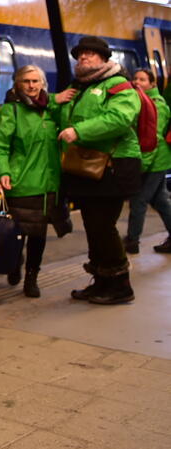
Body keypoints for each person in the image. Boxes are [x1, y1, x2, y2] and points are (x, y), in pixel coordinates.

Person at [56, 36, 141, 304]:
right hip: (88, 164)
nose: (84, 58)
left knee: (104, 225)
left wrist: (79, 131)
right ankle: (101, 281)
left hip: (115, 164)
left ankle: (121, 285)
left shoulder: (118, 85)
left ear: (104, 58)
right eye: (81, 55)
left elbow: (119, 118)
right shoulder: (79, 86)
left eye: (91, 54)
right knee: (93, 225)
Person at [0, 65, 75, 297]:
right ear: (17, 84)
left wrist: (55, 99)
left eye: (36, 81)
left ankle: (32, 277)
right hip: (21, 183)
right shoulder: (10, 111)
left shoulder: (51, 111)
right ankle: (15, 262)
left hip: (48, 184)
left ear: (43, 84)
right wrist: (3, 172)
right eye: (26, 81)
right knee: (18, 232)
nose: (31, 85)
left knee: (38, 235)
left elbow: (65, 112)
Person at [124, 68, 171, 254]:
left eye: (143, 79)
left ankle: (132, 241)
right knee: (160, 200)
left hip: (155, 161)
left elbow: (154, 138)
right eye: (135, 78)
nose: (137, 82)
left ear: (153, 84)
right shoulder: (141, 100)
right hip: (155, 159)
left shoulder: (156, 104)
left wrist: (141, 165)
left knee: (139, 200)